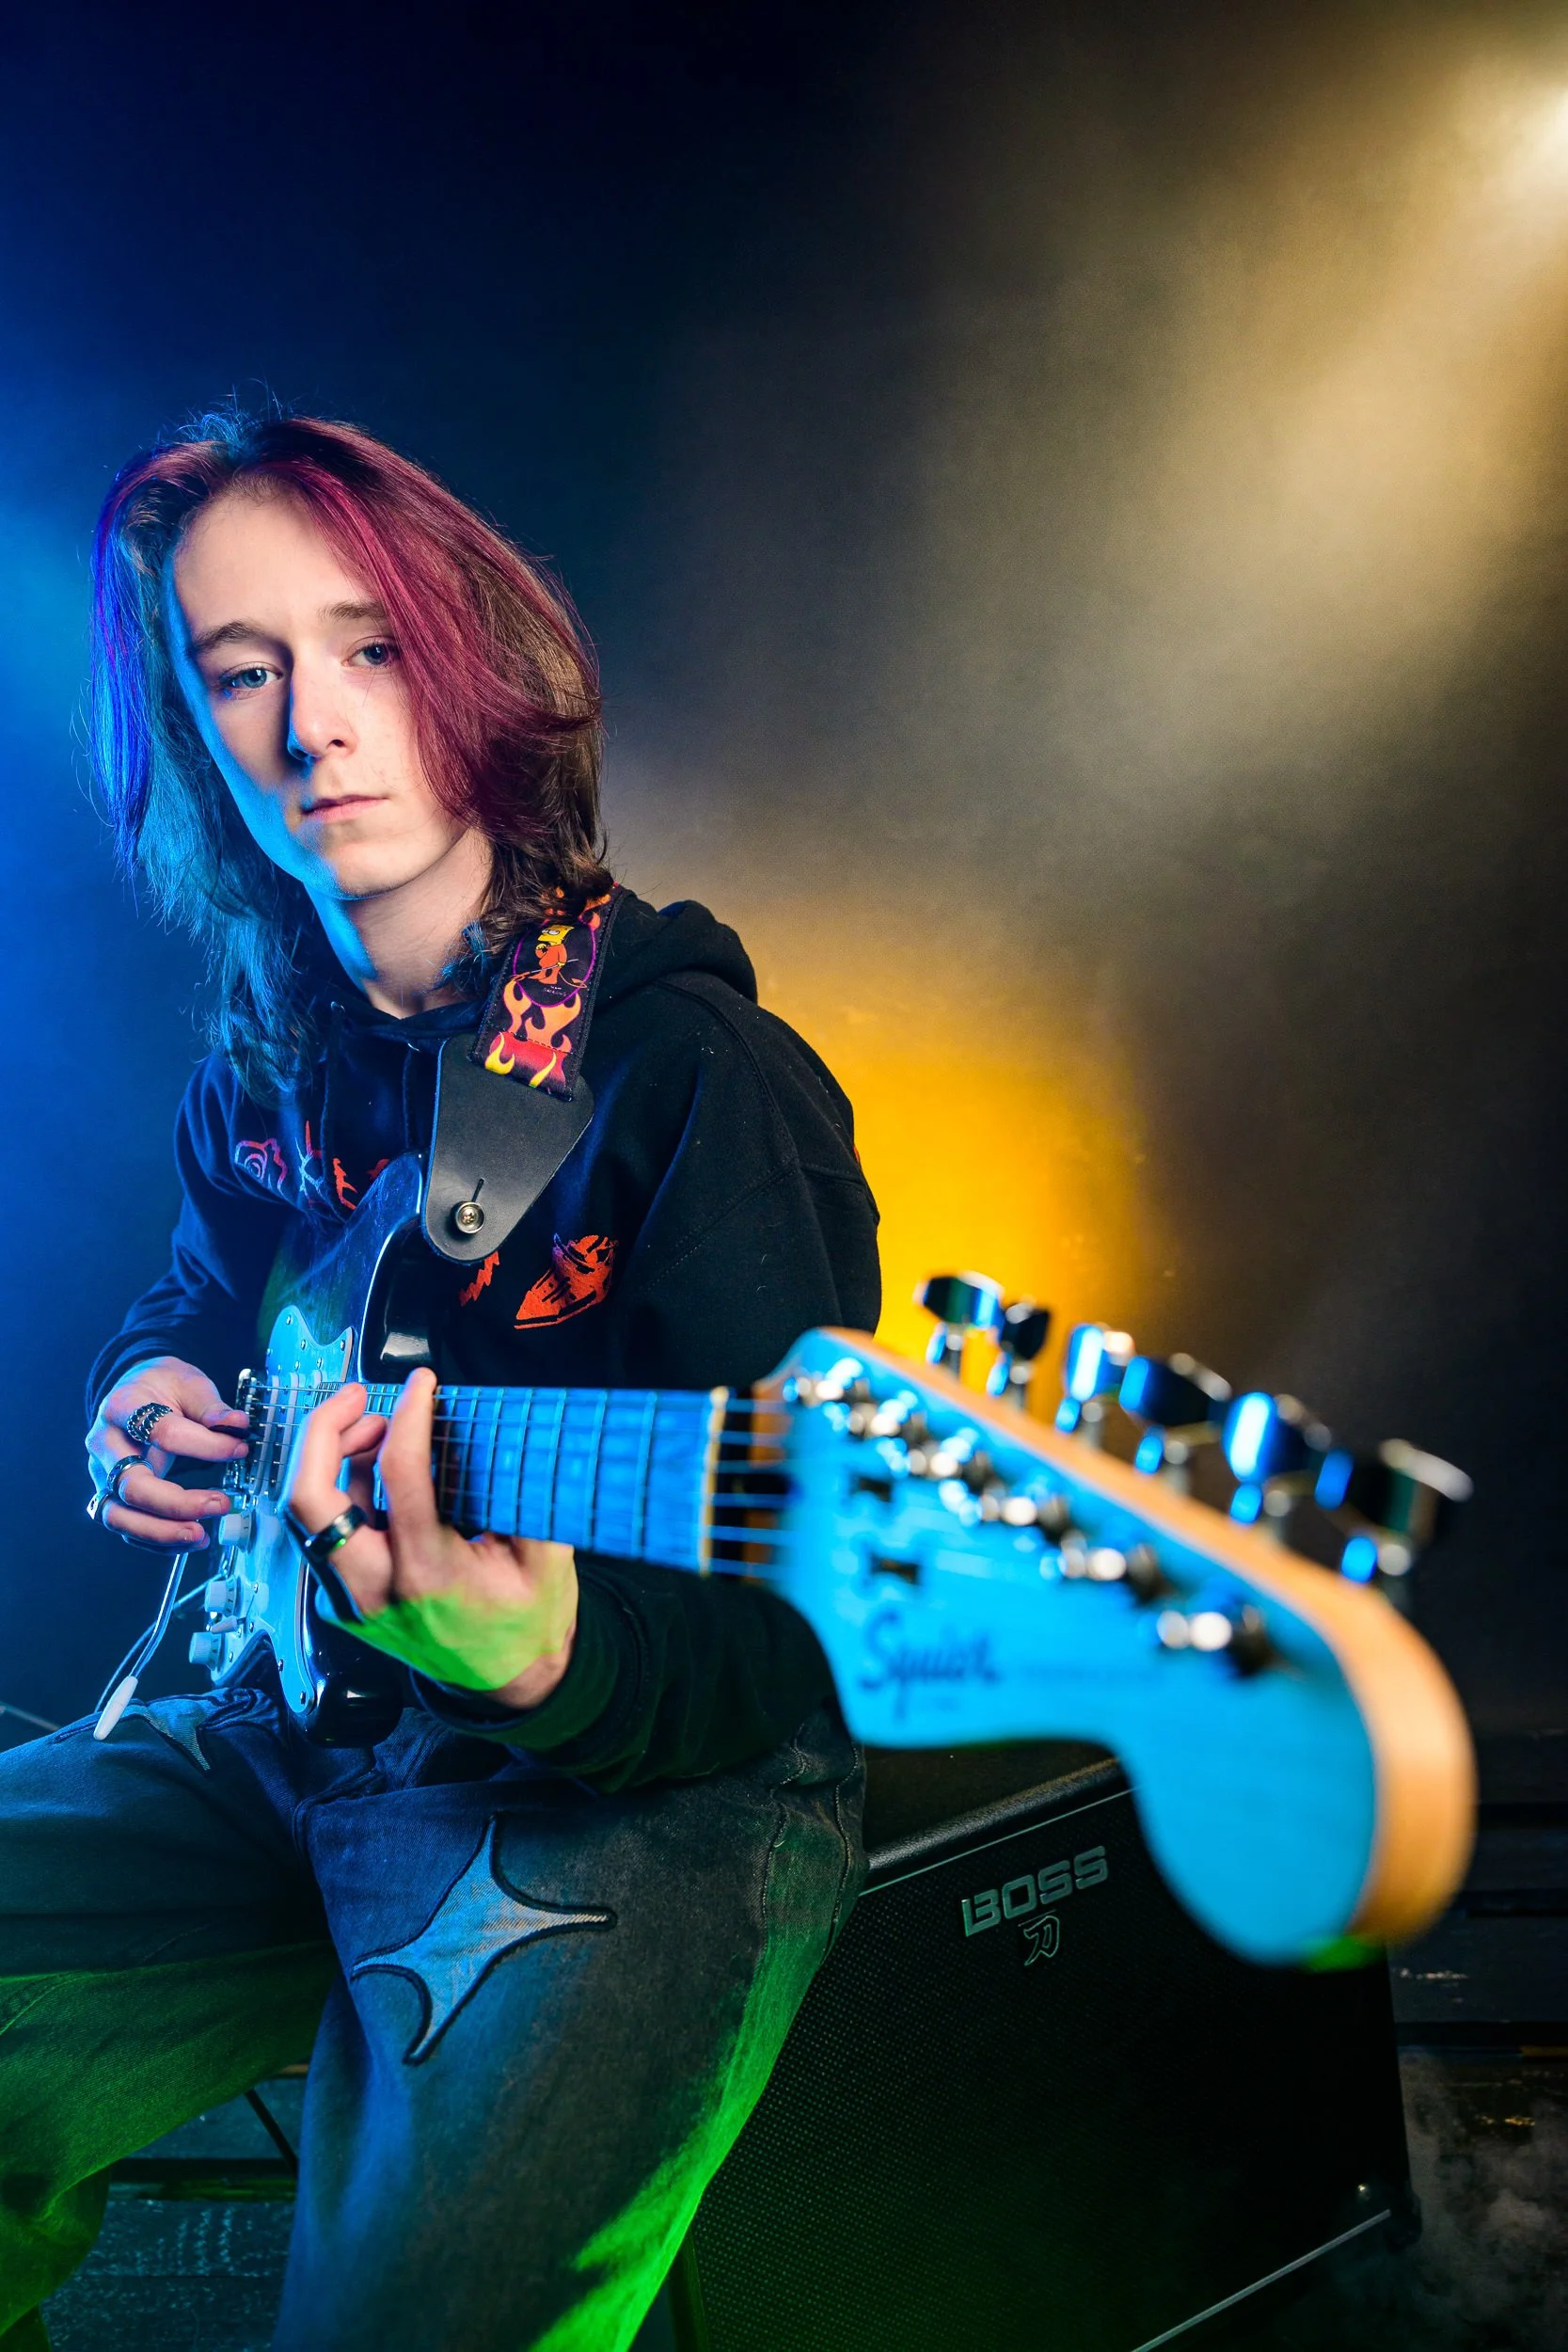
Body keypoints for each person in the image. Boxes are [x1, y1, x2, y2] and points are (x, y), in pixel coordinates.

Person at [0, 410, 879, 2352]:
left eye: (370, 646)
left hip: (634, 1776)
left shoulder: (687, 1076)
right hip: (294, 1715)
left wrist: (553, 1659)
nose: (314, 725)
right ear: (195, 736)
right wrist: (142, 1387)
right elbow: (198, 1293)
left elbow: (809, 1608)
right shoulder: (263, 1067)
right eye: (242, 673)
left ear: (471, 660)